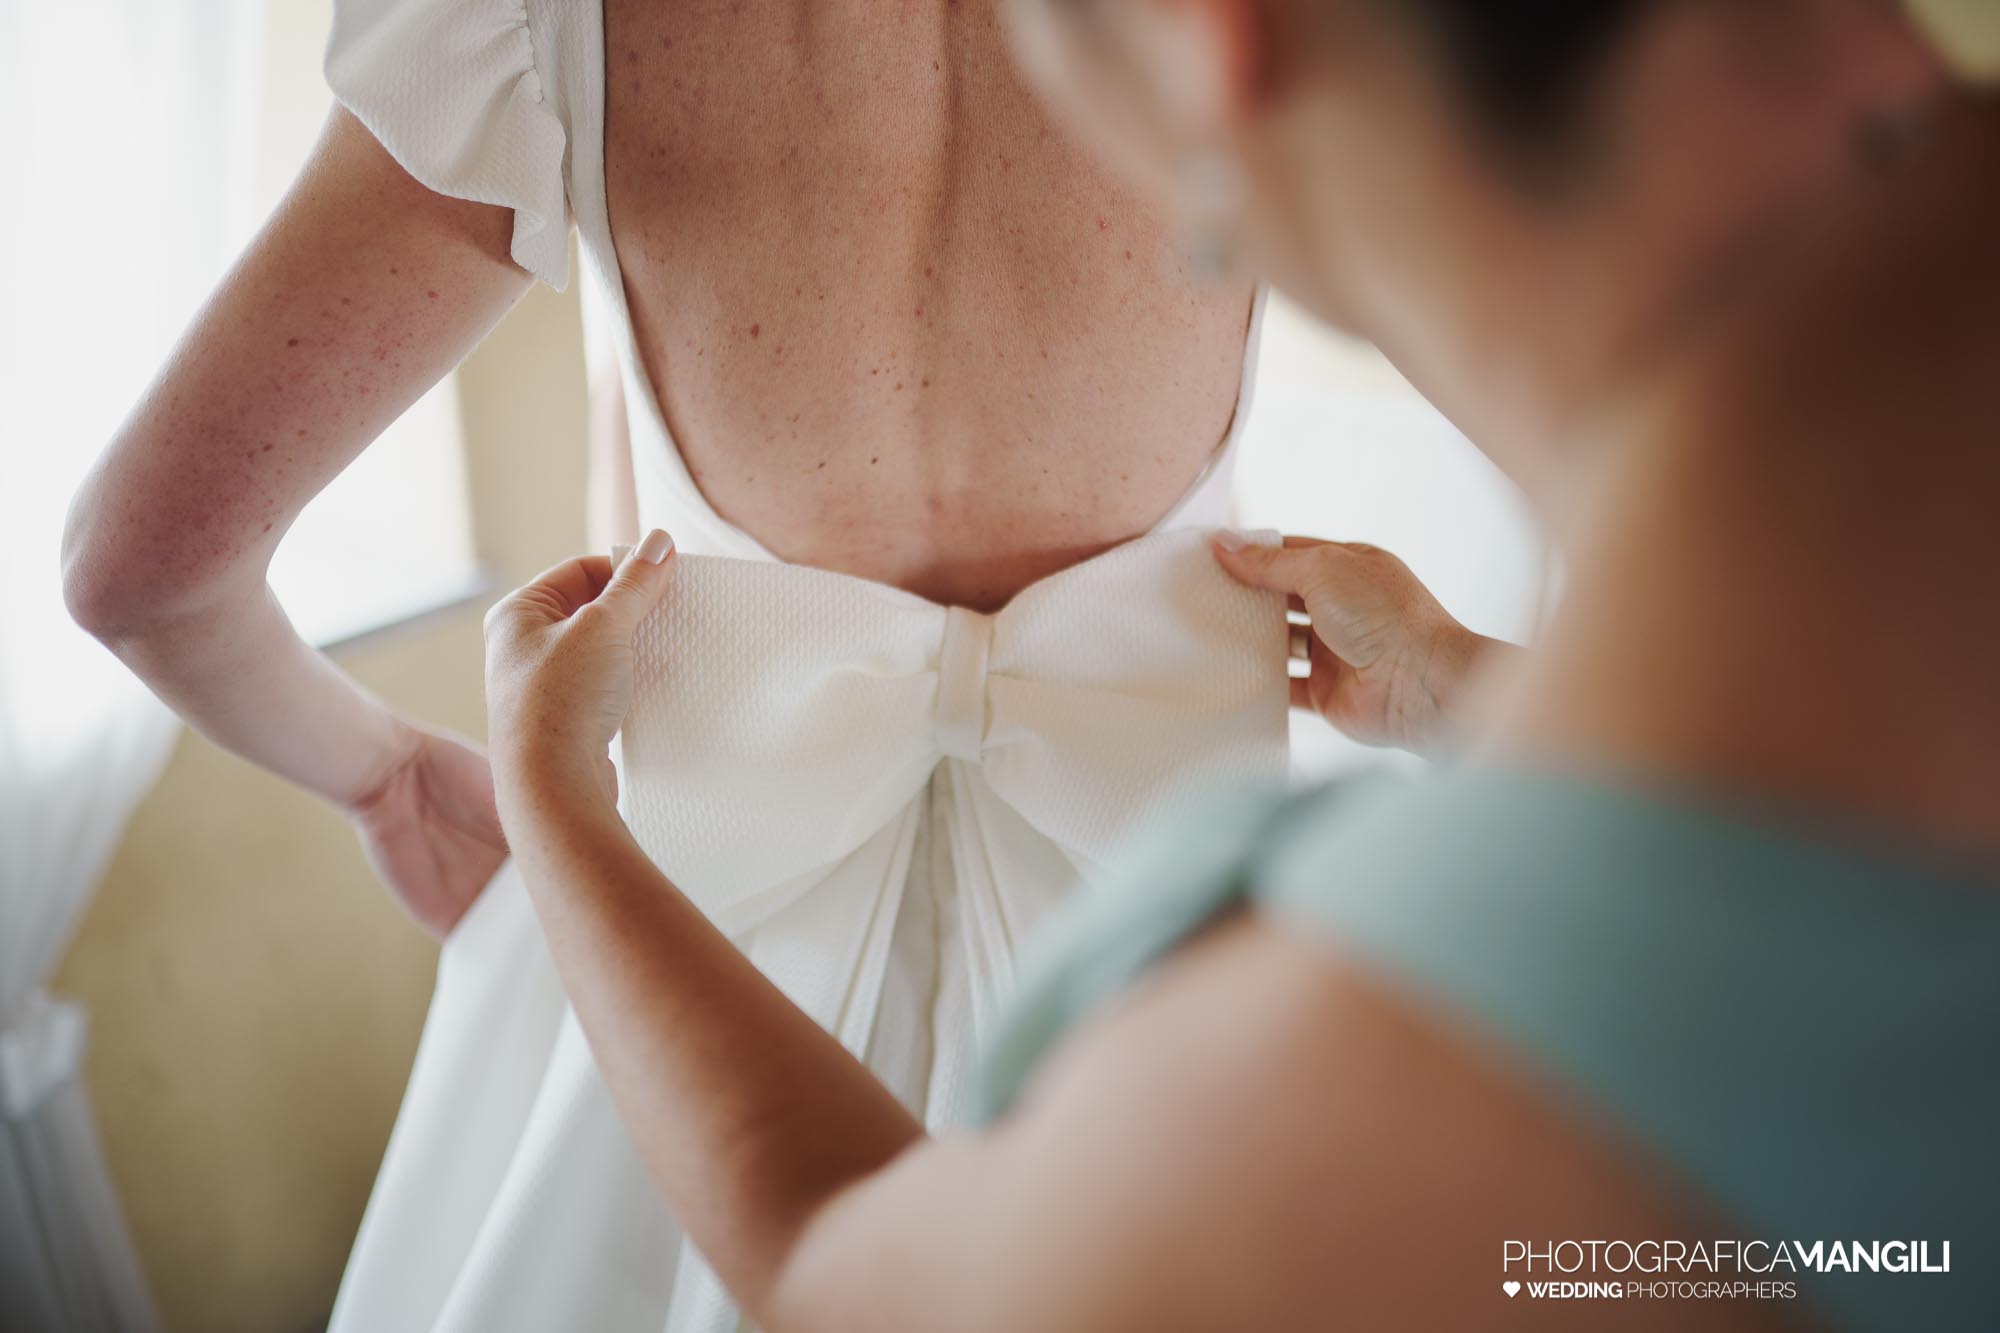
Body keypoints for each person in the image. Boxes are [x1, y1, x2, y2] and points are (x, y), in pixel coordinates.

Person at [476, 0, 2000, 1330]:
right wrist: (1471, 690)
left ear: (1211, 40)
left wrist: (553, 802)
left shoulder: (1336, 1113)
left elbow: (841, 1257)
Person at [57, 0, 1501, 1326]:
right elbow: (1687, 475)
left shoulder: (520, 27)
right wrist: (1455, 680)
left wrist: (387, 776)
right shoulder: (1265, 31)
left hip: (685, 1012)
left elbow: (141, 571)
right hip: (1173, 1019)